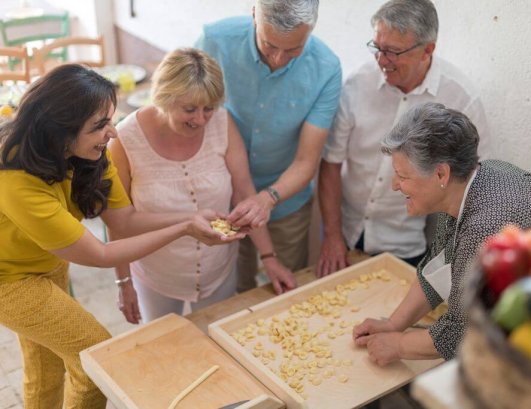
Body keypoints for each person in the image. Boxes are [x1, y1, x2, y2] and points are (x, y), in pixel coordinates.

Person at [0, 64, 243, 408]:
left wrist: (191, 217)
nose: (113, 133)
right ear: (59, 132)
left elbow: (125, 220)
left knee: (46, 365)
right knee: (95, 366)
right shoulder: (15, 180)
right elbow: (99, 255)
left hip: (45, 258)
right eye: (99, 126)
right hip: (8, 280)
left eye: (110, 120)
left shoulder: (88, 153)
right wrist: (185, 229)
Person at [353, 102, 531, 362]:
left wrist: (399, 346)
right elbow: (438, 266)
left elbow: (463, 332)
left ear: (441, 174)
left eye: (402, 175)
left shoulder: (485, 228)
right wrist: (392, 325)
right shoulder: (467, 183)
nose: (394, 185)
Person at [110, 48, 296, 324]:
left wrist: (269, 257)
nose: (200, 119)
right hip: (156, 274)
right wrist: (124, 282)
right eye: (189, 109)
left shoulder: (222, 122)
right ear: (164, 97)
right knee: (163, 346)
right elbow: (118, 223)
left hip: (218, 271)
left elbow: (245, 192)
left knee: (216, 343)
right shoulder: (125, 139)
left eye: (208, 108)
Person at [317, 0, 489, 277]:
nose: (382, 60)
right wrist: (332, 236)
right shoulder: (357, 84)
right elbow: (331, 163)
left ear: (427, 50)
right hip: (345, 234)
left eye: (393, 52)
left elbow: (473, 187)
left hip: (406, 244)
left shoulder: (461, 99)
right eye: (378, 47)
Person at [195, 0, 342, 292]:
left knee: (287, 288)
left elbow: (306, 162)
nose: (278, 59)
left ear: (311, 28)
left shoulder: (327, 69)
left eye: (293, 50)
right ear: (254, 15)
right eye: (269, 45)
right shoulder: (214, 41)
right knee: (229, 290)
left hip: (286, 201)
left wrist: (268, 198)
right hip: (221, 196)